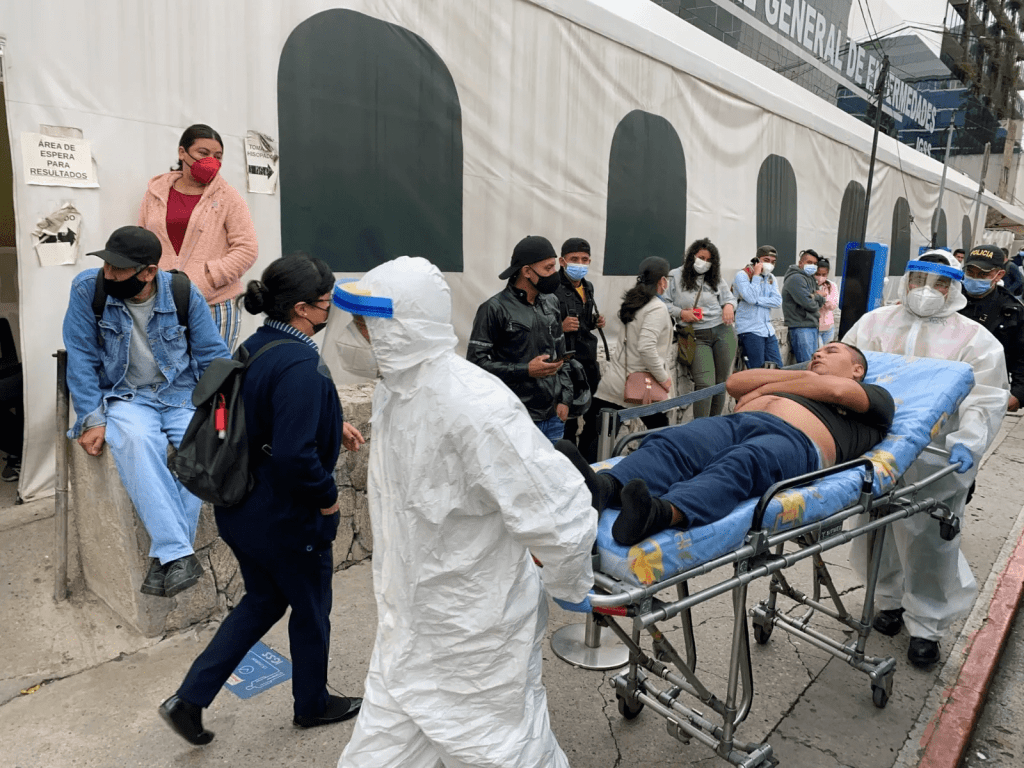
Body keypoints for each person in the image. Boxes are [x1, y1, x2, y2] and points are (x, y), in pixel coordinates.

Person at [332, 257, 596, 768]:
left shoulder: (474, 406)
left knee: (499, 753)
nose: (356, 336)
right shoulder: (395, 392)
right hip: (408, 629)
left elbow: (558, 510)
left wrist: (570, 585)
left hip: (477, 637)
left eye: (367, 324)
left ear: (402, 328)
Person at [160, 254, 365, 745]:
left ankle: (188, 700)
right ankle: (312, 705)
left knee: (263, 599)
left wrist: (335, 425)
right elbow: (295, 454)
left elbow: (267, 418)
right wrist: (328, 499)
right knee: (312, 609)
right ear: (300, 309)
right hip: (287, 518)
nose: (329, 310)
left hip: (242, 510)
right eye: (324, 303)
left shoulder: (256, 345)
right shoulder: (302, 363)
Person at [843, 251, 1008, 668]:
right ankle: (890, 602)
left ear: (953, 288)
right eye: (918, 279)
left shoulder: (974, 338)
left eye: (939, 283)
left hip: (937, 457)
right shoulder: (874, 323)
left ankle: (927, 626)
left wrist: (969, 442)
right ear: (906, 280)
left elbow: (986, 397)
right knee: (874, 531)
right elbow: (844, 372)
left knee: (929, 541)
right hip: (876, 448)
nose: (927, 291)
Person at [558, 342, 891, 546]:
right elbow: (735, 382)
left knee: (744, 461)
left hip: (794, 441)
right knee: (677, 439)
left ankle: (659, 514)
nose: (819, 353)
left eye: (831, 351)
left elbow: (836, 391)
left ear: (857, 369)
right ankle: (604, 488)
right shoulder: (800, 380)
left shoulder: (876, 398)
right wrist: (789, 382)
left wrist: (763, 391)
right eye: (818, 351)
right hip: (735, 424)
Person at [63, 226, 229, 597]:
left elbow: (213, 356)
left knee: (203, 447)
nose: (109, 275)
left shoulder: (185, 294)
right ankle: (178, 553)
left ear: (149, 272)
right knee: (134, 441)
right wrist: (92, 418)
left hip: (180, 393)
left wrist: (220, 414)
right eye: (107, 266)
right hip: (127, 395)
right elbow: (81, 358)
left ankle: (169, 556)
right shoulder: (86, 290)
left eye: (119, 270)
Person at [139, 124, 259, 349]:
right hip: (162, 301)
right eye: (203, 153)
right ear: (182, 153)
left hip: (214, 304)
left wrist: (207, 279)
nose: (211, 161)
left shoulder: (229, 197)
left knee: (211, 377)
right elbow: (143, 242)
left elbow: (247, 248)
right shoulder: (155, 194)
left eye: (218, 156)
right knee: (166, 372)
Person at [468, 235, 573, 444]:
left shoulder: (551, 303)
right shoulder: (494, 308)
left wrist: (565, 398)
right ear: (526, 271)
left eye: (554, 267)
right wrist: (525, 370)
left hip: (553, 418)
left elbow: (563, 356)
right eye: (548, 268)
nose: (555, 274)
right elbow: (475, 365)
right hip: (514, 417)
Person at [593, 256, 674, 431]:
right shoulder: (656, 308)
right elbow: (646, 347)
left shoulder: (633, 302)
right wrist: (664, 379)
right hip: (642, 384)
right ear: (662, 280)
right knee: (661, 435)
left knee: (598, 436)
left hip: (615, 381)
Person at [665, 237, 737, 418]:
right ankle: (700, 428)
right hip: (696, 335)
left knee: (722, 384)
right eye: (701, 257)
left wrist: (729, 306)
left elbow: (729, 298)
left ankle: (713, 426)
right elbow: (663, 303)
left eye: (708, 260)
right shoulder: (675, 275)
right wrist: (682, 313)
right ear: (691, 256)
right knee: (705, 383)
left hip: (723, 331)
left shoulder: (715, 277)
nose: (704, 263)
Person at [554, 237, 607, 461]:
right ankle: (569, 465)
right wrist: (560, 326)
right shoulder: (551, 288)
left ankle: (589, 464)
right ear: (562, 261)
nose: (580, 263)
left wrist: (594, 322)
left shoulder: (588, 286)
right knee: (569, 419)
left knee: (595, 418)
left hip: (589, 359)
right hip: (567, 363)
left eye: (584, 259)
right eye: (574, 259)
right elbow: (539, 323)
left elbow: (583, 322)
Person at [959, 244, 1024, 413]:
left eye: (983, 274)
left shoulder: (1011, 309)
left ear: (999, 274)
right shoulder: (950, 298)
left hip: (986, 389)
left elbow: (1021, 354)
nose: (975, 278)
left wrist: (1019, 393)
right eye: (970, 272)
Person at [733, 245, 784, 369]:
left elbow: (777, 301)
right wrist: (756, 276)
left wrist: (756, 301)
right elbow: (750, 297)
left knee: (778, 368)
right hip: (750, 330)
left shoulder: (770, 278)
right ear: (757, 259)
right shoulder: (742, 275)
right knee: (757, 370)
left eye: (773, 262)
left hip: (767, 330)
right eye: (766, 260)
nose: (770, 264)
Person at [782, 248, 824, 363]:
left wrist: (816, 297)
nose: (813, 266)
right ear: (801, 263)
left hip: (811, 325)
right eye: (809, 263)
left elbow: (819, 301)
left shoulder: (809, 279)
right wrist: (818, 297)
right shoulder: (796, 278)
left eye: (815, 264)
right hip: (801, 327)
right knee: (807, 365)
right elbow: (811, 305)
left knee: (814, 364)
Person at [815, 257, 840, 346]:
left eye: (824, 275)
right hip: (815, 328)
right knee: (819, 351)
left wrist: (824, 297)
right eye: (817, 274)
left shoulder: (832, 285)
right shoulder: (810, 285)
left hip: (829, 327)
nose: (820, 278)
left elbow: (833, 305)